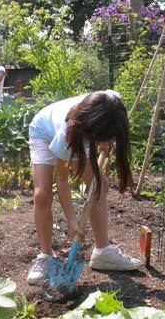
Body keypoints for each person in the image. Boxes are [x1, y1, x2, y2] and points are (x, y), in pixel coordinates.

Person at [26, 90, 142, 286]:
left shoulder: (113, 105)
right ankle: (45, 256)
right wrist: (72, 221)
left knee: (100, 185)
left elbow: (115, 129)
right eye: (96, 139)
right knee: (42, 194)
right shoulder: (67, 133)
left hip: (82, 129)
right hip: (43, 132)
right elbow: (61, 181)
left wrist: (105, 140)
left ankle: (103, 252)